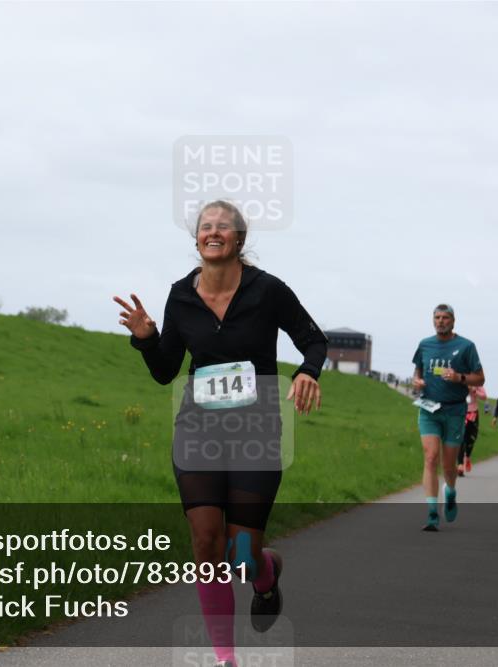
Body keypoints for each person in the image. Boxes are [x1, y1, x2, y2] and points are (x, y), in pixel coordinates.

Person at [115, 200, 326, 667]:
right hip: (198, 428)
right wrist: (147, 338)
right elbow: (166, 371)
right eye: (205, 226)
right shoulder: (180, 295)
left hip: (256, 430)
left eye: (223, 227)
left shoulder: (268, 290)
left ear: (239, 240)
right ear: (196, 240)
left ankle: (266, 574)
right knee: (206, 541)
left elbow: (313, 338)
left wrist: (308, 371)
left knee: (242, 556)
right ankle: (225, 658)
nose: (213, 232)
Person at [411, 304, 485, 532]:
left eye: (445, 317)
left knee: (449, 465)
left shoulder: (466, 346)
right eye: (437, 317)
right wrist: (417, 381)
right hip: (429, 409)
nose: (440, 321)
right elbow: (417, 371)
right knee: (431, 457)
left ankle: (450, 492)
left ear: (453, 321)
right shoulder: (425, 345)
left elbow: (480, 378)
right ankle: (432, 513)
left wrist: (460, 377)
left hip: (454, 411)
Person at [457, 385, 487, 477]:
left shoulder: (477, 383)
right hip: (461, 412)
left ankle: (467, 457)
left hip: (473, 412)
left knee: (471, 438)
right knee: (461, 437)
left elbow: (484, 396)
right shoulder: (460, 379)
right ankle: (460, 464)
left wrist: (474, 391)